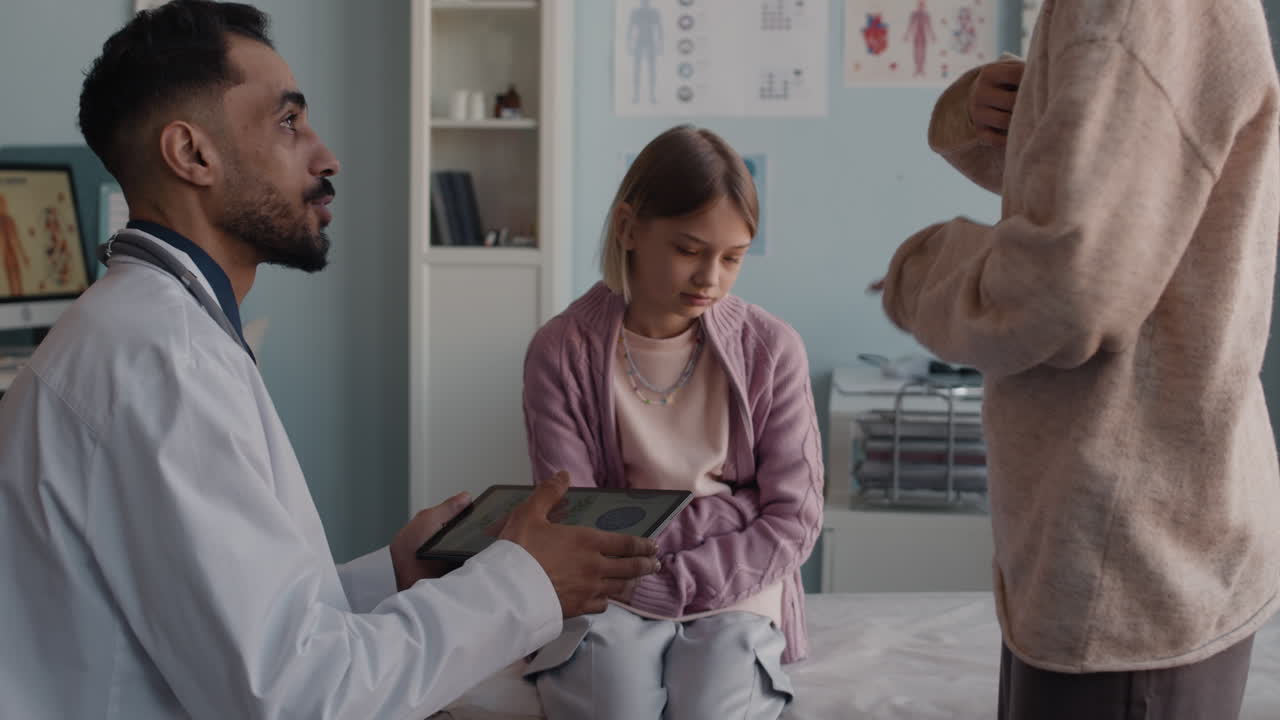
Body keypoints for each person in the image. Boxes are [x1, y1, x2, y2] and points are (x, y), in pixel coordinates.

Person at [0, 3, 657, 718]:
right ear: (192, 154)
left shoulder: (153, 332)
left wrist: (391, 575)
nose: (326, 157)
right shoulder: (160, 362)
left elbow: (232, 625)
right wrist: (524, 584)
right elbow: (298, 698)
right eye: (289, 122)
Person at [877, 1, 1280, 718]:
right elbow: (1127, 193)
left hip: (1126, 559)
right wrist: (989, 109)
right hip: (1140, 532)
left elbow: (1067, 291)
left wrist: (921, 272)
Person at [520, 125, 823, 720]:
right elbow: (575, 518)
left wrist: (677, 573)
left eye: (732, 258)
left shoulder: (772, 349)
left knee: (714, 708)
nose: (711, 278)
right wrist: (734, 509)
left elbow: (794, 519)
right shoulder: (559, 351)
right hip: (610, 585)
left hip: (737, 579)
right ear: (629, 228)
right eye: (689, 250)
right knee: (615, 707)